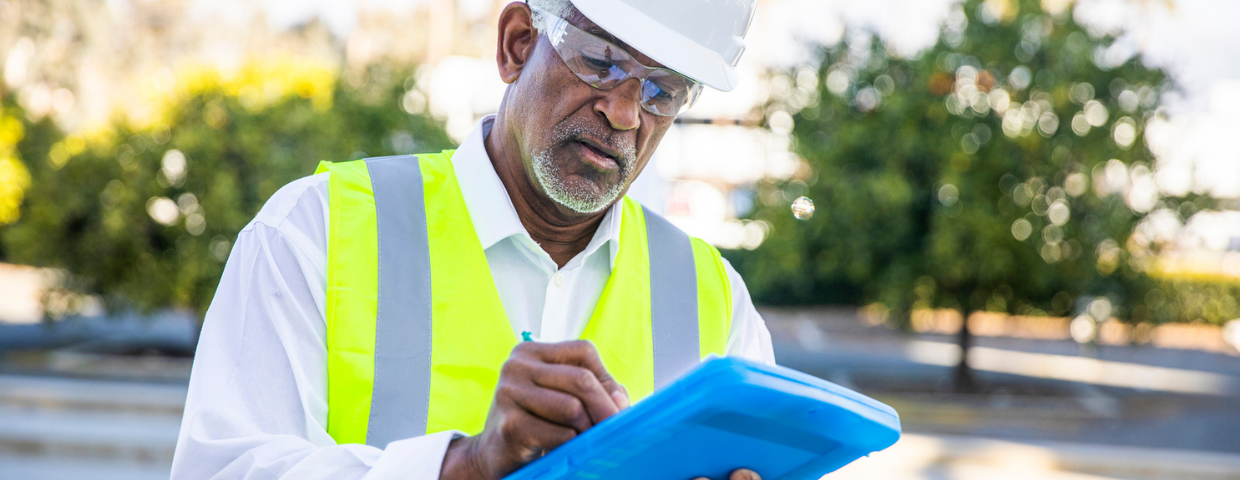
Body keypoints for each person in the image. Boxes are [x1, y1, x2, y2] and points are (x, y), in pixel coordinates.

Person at [171, 0, 771, 478]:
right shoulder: (318, 230)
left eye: (663, 91)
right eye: (602, 61)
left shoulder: (712, 298)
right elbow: (223, 469)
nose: (624, 112)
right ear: (517, 44)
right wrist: (465, 467)